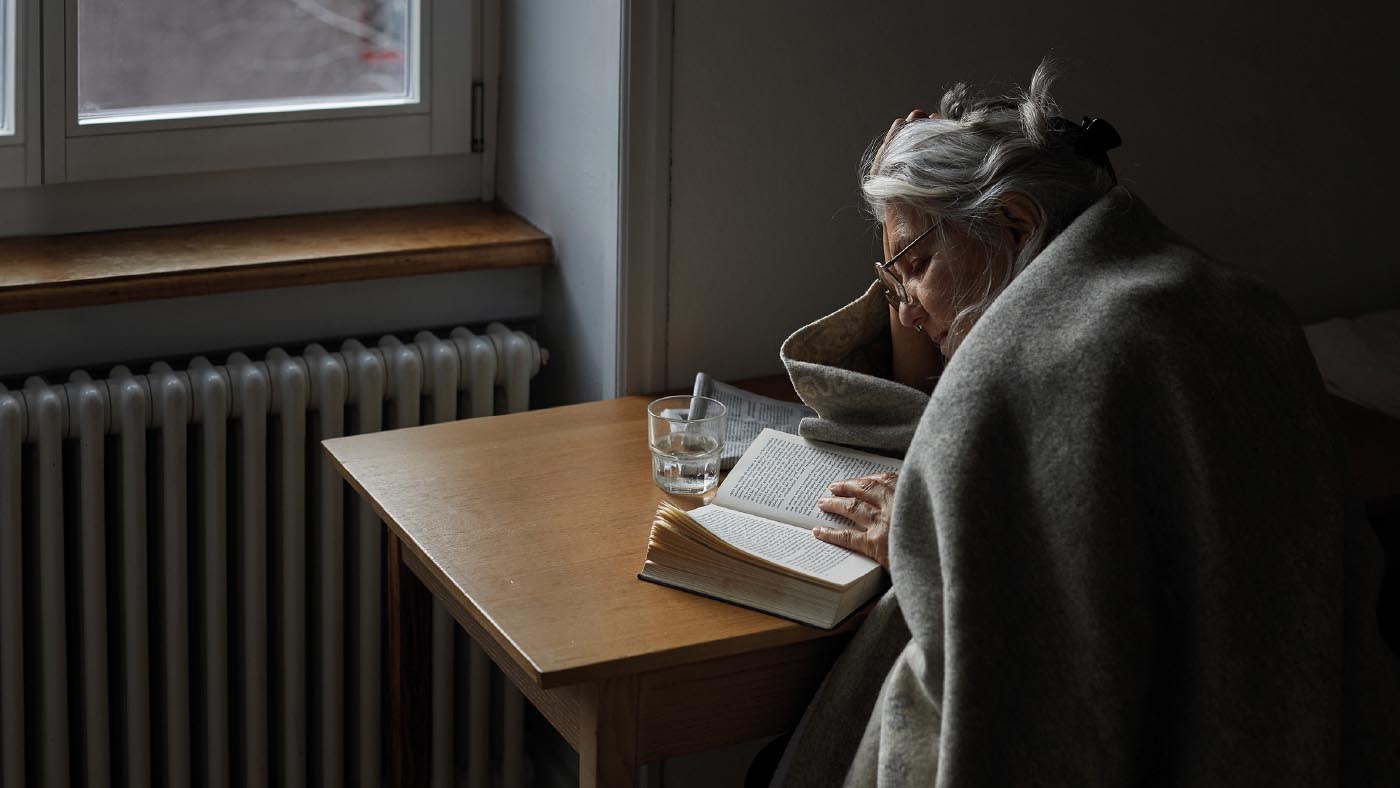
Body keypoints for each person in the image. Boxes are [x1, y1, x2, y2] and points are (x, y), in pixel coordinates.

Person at [761, 60, 1400, 787]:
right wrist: (907, 237)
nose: (903, 309)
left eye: (914, 265)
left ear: (1014, 222)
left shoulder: (1034, 368)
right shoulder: (1240, 307)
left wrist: (913, 540)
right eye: (892, 281)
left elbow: (1037, 646)